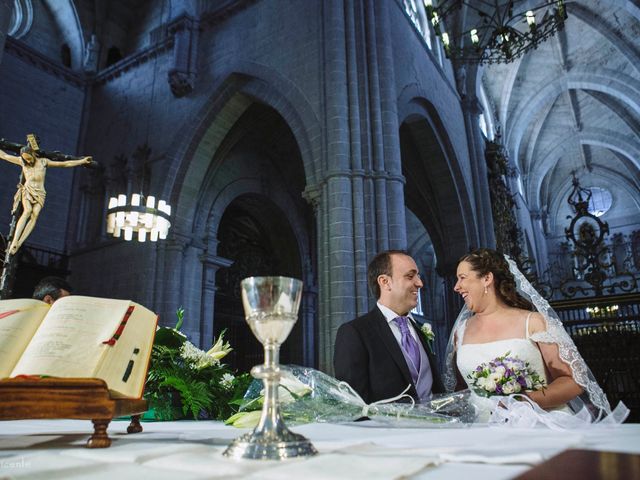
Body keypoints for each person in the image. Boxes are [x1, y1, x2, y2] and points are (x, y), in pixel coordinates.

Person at [444, 248, 624, 425]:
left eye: (462, 278)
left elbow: (573, 380)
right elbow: (463, 391)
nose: (456, 287)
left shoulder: (533, 322)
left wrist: (524, 402)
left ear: (487, 278)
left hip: (539, 424)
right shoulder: (461, 331)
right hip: (483, 429)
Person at [334, 250, 444, 404]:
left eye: (418, 276)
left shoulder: (420, 329)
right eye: (410, 276)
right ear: (385, 282)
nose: (420, 283)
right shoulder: (355, 333)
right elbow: (354, 404)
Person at [0, 145, 92, 255]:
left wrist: (82, 161)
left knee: (35, 215)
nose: (28, 161)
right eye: (25, 159)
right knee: (27, 211)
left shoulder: (43, 162)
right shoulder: (22, 161)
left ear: (33, 154)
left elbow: (64, 164)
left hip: (40, 192)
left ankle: (19, 243)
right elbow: (5, 156)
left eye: (29, 158)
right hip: (28, 190)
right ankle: (15, 241)